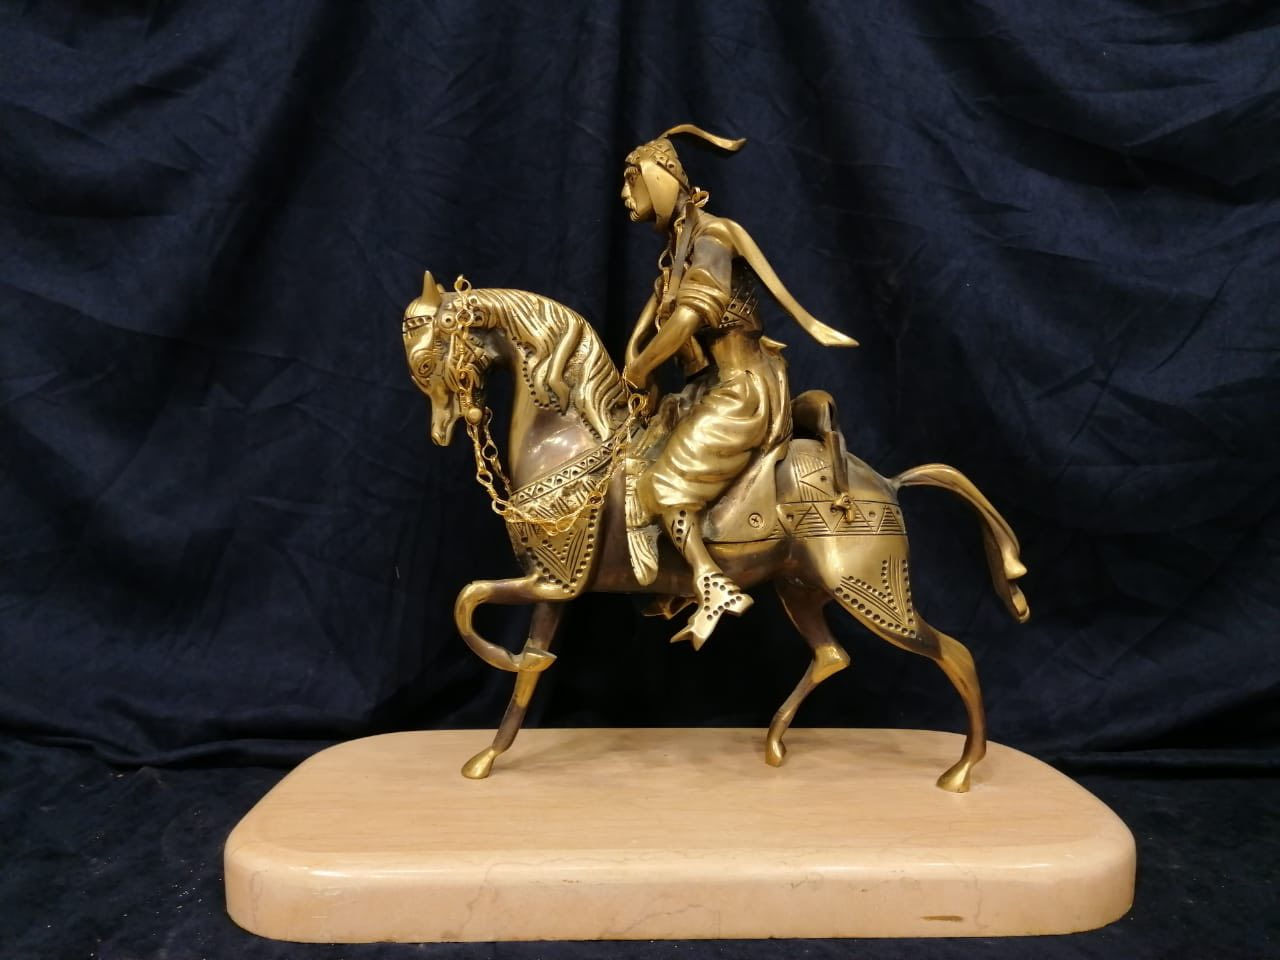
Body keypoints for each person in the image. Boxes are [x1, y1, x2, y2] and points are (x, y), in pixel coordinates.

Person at [620, 124, 858, 648]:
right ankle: (678, 578)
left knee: (663, 483)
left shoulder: (712, 239)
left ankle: (712, 584)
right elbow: (647, 329)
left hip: (743, 390)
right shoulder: (676, 256)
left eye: (631, 180)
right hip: (705, 391)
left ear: (659, 177)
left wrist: (640, 369)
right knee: (632, 465)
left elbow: (687, 319)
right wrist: (635, 363)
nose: (623, 194)